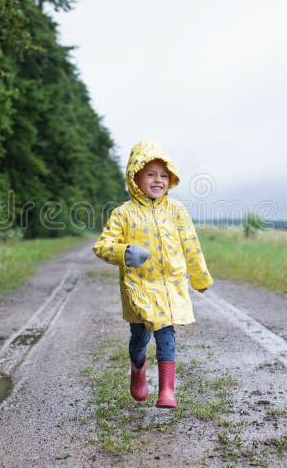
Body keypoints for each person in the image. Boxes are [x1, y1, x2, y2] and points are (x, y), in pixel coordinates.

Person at [93, 140, 213, 408]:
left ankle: (167, 391)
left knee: (166, 332)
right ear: (135, 177)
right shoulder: (123, 214)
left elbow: (191, 245)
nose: (158, 180)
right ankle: (138, 371)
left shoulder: (176, 211)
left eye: (163, 175)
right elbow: (102, 246)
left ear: (171, 179)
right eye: (150, 174)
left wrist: (199, 277)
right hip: (139, 287)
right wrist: (125, 253)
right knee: (139, 337)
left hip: (169, 285)